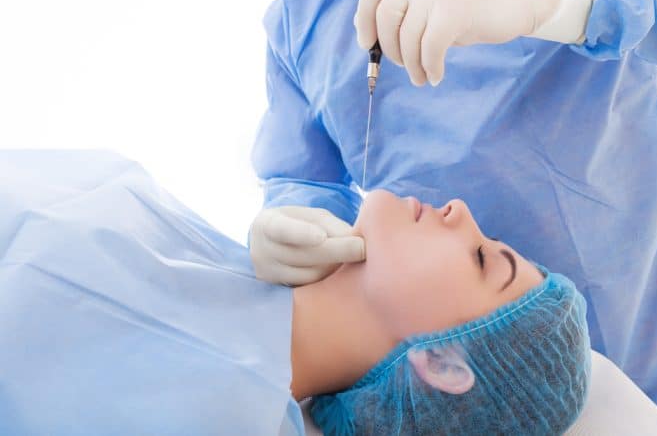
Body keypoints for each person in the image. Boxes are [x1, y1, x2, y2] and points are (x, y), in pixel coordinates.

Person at [248, 0, 657, 432]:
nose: (458, 207)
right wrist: (298, 220)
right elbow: (304, 179)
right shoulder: (306, 14)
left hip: (650, 314)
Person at [0, 150, 591, 435]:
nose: (461, 210)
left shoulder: (219, 415)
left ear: (442, 362)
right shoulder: (212, 258)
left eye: (485, 259)